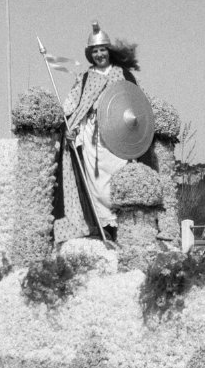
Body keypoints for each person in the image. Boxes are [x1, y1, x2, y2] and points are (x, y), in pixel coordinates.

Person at [53, 22, 142, 242]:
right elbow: (73, 106)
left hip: (119, 136)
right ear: (90, 54)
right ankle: (105, 231)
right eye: (95, 51)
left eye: (102, 49)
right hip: (93, 137)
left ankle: (125, 229)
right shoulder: (85, 78)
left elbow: (136, 103)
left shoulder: (123, 75)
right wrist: (70, 129)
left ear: (108, 50)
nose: (99, 54)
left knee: (119, 182)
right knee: (98, 188)